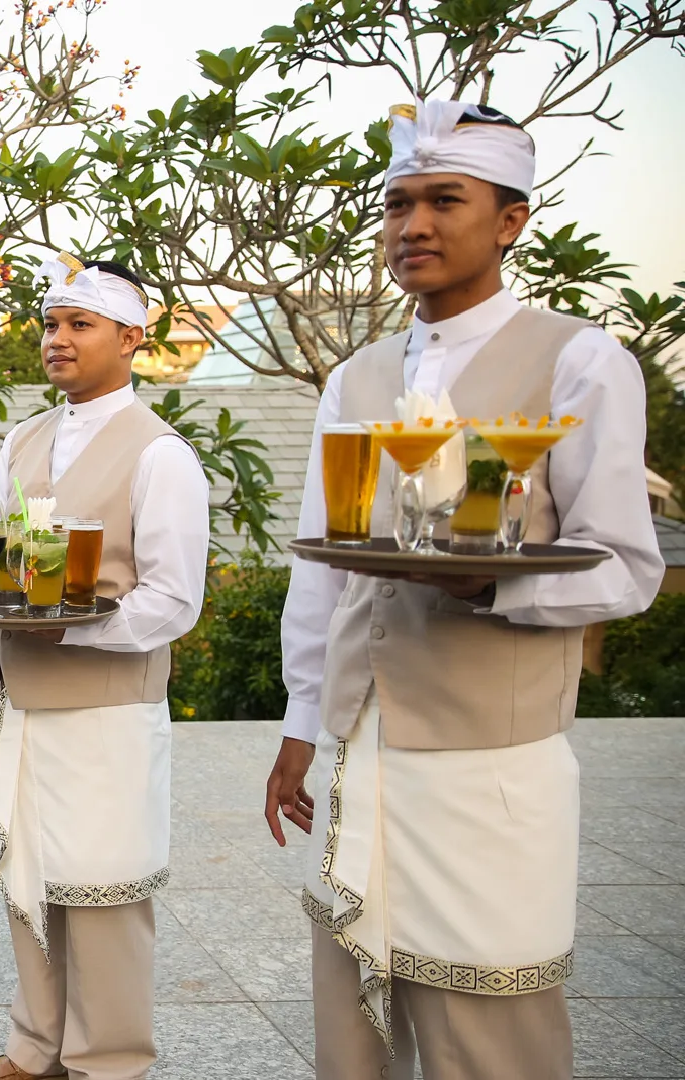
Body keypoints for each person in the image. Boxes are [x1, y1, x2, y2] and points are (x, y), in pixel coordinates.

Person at [263, 100, 662, 1080]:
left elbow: (627, 564)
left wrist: (494, 588)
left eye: (446, 199)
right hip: (365, 747)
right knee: (349, 1015)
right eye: (398, 204)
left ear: (511, 220)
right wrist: (301, 721)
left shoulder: (577, 361)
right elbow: (321, 566)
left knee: (490, 1026)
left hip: (493, 762)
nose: (415, 225)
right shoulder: (354, 379)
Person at [0, 253, 209, 1080]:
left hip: (109, 710)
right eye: (51, 324)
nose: (57, 340)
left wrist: (74, 635)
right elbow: (2, 555)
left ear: (132, 338)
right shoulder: (23, 438)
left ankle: (109, 1063)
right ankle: (35, 1049)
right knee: (31, 878)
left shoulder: (160, 454)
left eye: (79, 325)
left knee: (104, 893)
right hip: (27, 701)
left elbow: (174, 600)